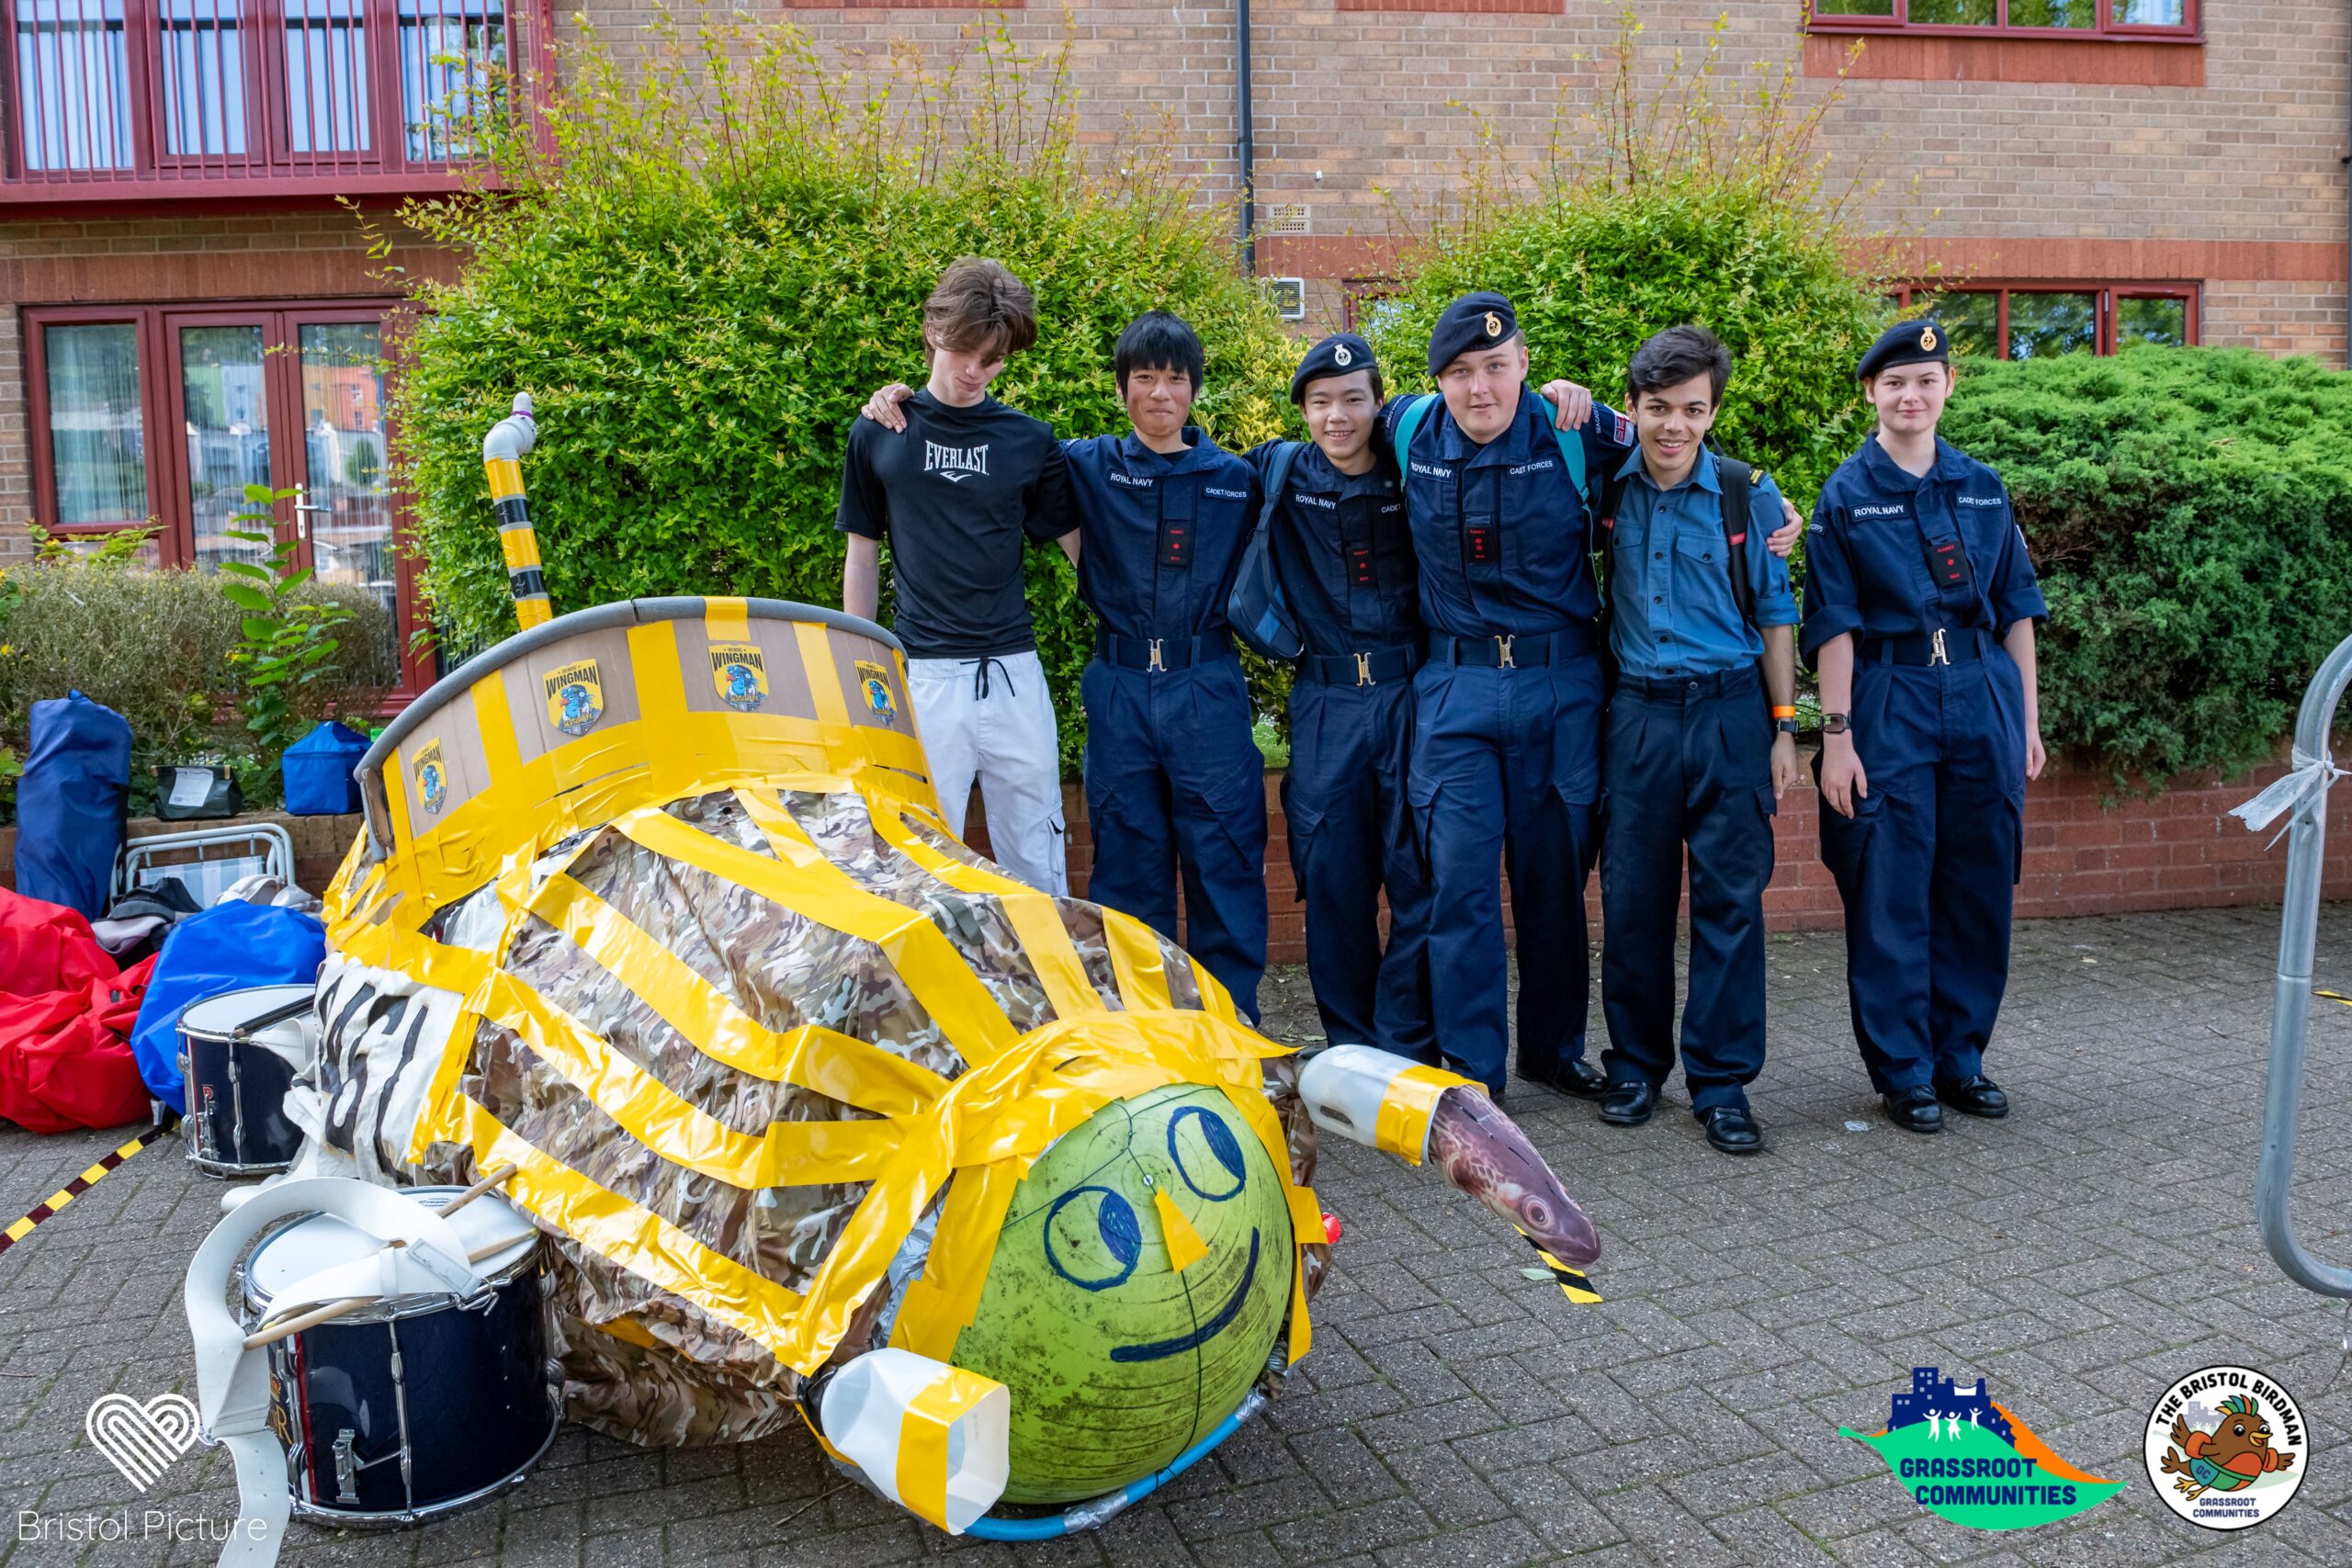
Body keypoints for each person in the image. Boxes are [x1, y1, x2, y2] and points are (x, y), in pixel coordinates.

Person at [857, 312, 1269, 1019]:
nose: (1160, 394)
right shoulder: (1082, 463)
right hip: (1119, 685)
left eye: (1175, 379)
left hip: (1208, 686)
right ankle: (1141, 1025)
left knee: (1224, 860)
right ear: (1121, 390)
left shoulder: (1239, 479)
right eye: (1144, 378)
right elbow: (986, 443)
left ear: (1196, 390)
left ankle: (1235, 1026)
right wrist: (896, 398)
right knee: (1127, 864)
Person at [1803, 318, 2048, 1134]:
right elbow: (1833, 623)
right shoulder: (1845, 494)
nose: (1912, 395)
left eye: (1926, 380)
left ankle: (1961, 1058)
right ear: (1872, 393)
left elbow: (2017, 611)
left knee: (1978, 884)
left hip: (1982, 691)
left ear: (1948, 389)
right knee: (1892, 885)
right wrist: (1836, 735)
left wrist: (2028, 723)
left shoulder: (1984, 485)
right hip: (1892, 693)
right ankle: (1903, 1069)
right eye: (1895, 382)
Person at [1590, 325, 1802, 1156]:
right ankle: (1637, 1066)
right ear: (1634, 407)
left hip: (1729, 715)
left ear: (1712, 412)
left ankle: (1721, 1084)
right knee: (1633, 899)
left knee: (1731, 902)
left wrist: (1787, 728)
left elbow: (1778, 615)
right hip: (1636, 715)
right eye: (1657, 408)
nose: (1673, 426)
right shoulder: (1605, 487)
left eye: (1692, 410)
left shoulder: (1749, 495)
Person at [836, 257, 1079, 893]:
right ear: (933, 331)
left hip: (1014, 673)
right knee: (917, 859)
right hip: (924, 676)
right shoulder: (880, 430)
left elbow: (1078, 547)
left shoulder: (1030, 440)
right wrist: (862, 667)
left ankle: (1048, 985)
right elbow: (862, 555)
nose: (975, 370)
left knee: (1036, 855)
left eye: (993, 359)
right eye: (965, 350)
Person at [1243, 333, 1433, 1058]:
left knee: (1421, 870)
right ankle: (1352, 1042)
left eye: (1354, 399)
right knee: (1331, 877)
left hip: (1410, 693)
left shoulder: (1417, 470)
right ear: (1302, 411)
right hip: (1325, 705)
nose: (1337, 416)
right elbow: (1186, 465)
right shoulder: (1278, 473)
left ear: (1378, 404)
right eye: (1320, 402)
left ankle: (1407, 1038)